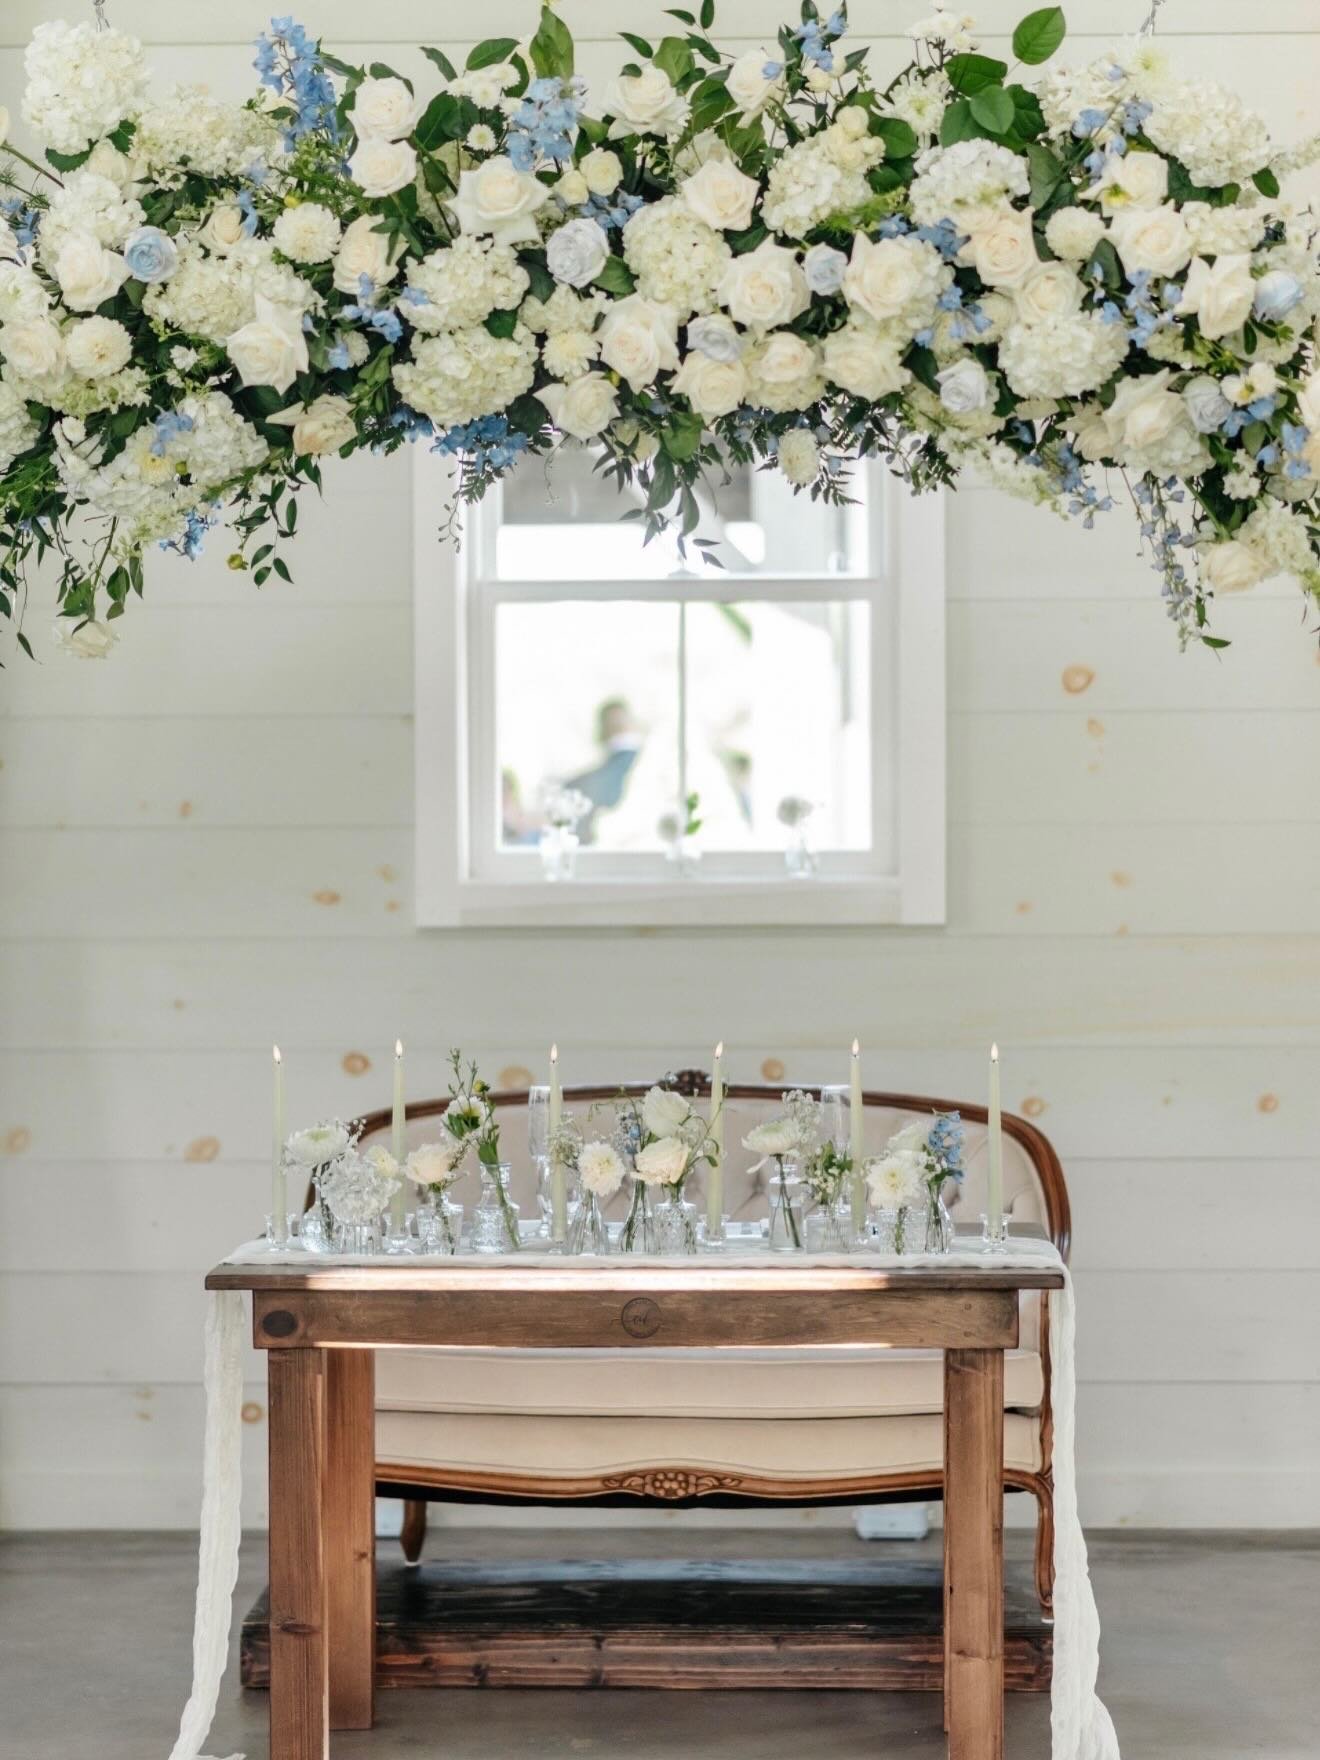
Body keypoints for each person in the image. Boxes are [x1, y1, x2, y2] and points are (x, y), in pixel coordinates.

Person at [565, 697, 643, 842]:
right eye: (611, 722)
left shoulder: (630, 755)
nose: (616, 725)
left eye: (619, 721)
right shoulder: (609, 759)